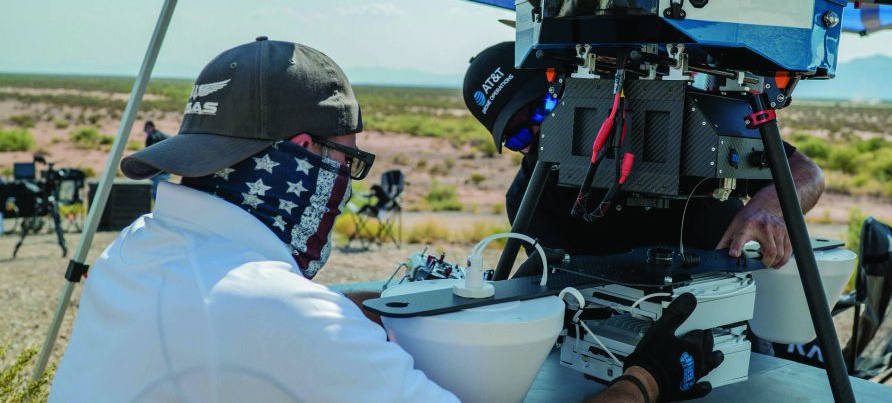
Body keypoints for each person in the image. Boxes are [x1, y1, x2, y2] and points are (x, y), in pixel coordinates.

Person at [50, 37, 722, 403]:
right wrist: (648, 379)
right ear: (304, 154)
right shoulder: (277, 313)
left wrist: (361, 303)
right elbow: (273, 318)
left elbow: (241, 317)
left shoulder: (136, 252)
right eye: (347, 162)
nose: (344, 188)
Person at [463, 42, 826, 270]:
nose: (541, 132)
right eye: (520, 136)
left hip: (722, 308)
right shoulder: (529, 196)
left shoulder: (680, 122)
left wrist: (767, 208)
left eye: (543, 108)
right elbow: (553, 283)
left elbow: (806, 172)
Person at [144, 120, 171, 199]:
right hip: (167, 171)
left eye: (146, 130)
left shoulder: (151, 137)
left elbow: (149, 154)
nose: (146, 133)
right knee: (164, 195)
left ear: (149, 128)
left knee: (156, 195)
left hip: (156, 172)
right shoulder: (165, 136)